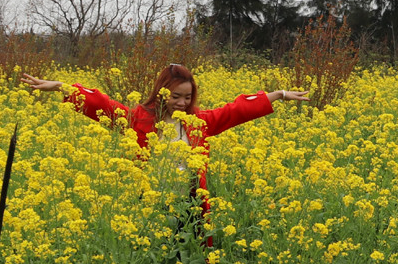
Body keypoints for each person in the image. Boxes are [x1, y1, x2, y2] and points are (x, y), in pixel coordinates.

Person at [18, 65, 308, 207]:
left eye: (187, 97)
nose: (182, 103)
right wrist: (61, 87)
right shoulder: (138, 119)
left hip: (190, 206)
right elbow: (101, 105)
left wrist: (279, 94)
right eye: (175, 96)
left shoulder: (199, 122)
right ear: (161, 92)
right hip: (150, 205)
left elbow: (237, 109)